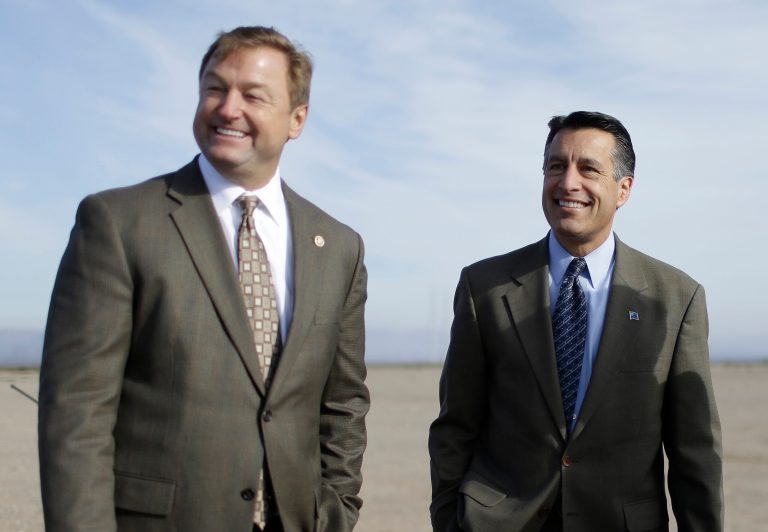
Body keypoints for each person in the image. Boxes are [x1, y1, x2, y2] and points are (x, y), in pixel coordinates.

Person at [38, 26, 368, 532]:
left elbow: (342, 403)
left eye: (253, 95)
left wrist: (336, 511)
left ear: (296, 119)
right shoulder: (118, 223)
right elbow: (76, 416)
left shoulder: (338, 247)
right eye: (215, 89)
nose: (228, 108)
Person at [428, 111, 723, 532]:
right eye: (555, 166)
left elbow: (695, 450)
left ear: (623, 190)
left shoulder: (674, 298)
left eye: (588, 169)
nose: (568, 183)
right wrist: (448, 521)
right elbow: (455, 426)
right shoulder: (484, 287)